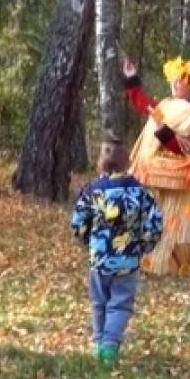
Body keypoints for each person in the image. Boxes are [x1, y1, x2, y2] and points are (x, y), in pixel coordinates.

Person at [70, 140, 163, 366]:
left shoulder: (92, 191)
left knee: (99, 302)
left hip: (99, 259)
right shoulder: (140, 192)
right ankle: (109, 345)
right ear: (127, 162)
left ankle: (100, 342)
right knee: (120, 303)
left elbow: (78, 222)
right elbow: (155, 222)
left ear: (100, 163)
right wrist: (144, 245)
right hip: (128, 259)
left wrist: (89, 242)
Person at [124, 57, 190, 276]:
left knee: (172, 220)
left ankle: (169, 265)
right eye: (173, 79)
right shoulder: (166, 105)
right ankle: (145, 261)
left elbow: (184, 147)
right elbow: (144, 105)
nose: (175, 84)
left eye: (180, 81)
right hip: (155, 174)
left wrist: (162, 131)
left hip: (177, 178)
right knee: (150, 215)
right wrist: (132, 79)